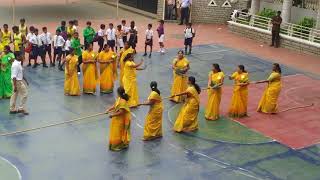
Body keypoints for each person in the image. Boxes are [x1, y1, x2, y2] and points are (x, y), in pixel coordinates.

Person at [106, 86, 131, 151]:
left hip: (120, 120)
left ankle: (118, 145)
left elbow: (121, 112)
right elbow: (115, 105)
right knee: (115, 131)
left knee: (118, 132)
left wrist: (113, 115)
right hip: (116, 119)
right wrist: (109, 109)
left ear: (118, 93)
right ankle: (115, 144)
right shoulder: (119, 98)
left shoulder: (123, 102)